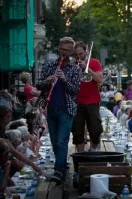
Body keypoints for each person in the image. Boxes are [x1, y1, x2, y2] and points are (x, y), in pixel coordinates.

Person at [36, 37, 82, 184]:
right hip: (51, 108)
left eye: (67, 50)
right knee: (55, 142)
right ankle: (62, 166)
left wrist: (64, 80)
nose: (64, 53)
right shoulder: (50, 66)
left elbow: (75, 91)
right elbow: (38, 85)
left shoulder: (75, 69)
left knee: (62, 142)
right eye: (62, 49)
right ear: (59, 48)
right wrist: (47, 81)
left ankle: (58, 170)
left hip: (66, 110)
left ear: (72, 51)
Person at [72, 41, 103, 153]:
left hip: (92, 101)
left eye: (81, 53)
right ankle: (80, 156)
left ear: (86, 51)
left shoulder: (94, 62)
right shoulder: (74, 65)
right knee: (77, 132)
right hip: (77, 102)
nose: (79, 56)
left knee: (95, 130)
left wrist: (87, 68)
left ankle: (93, 151)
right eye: (77, 54)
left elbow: (99, 79)